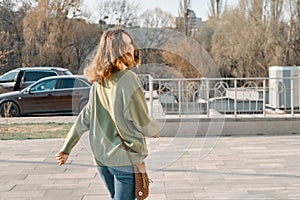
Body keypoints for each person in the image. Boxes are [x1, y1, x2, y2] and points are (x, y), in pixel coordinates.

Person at [55, 28, 159, 200]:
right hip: (124, 160)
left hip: (102, 161)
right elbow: (143, 122)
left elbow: (84, 119)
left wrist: (66, 148)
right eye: (124, 45)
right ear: (113, 50)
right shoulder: (129, 79)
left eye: (130, 43)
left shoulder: (99, 83)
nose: (130, 48)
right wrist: (154, 129)